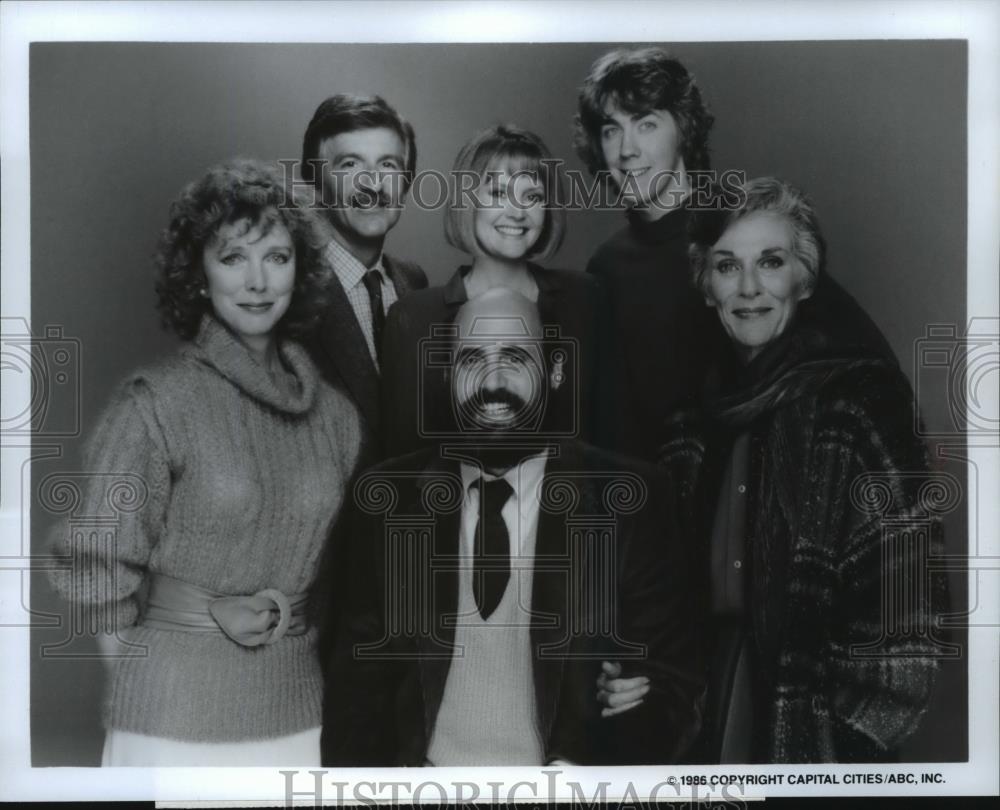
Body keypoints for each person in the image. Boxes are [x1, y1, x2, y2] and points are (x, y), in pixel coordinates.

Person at [599, 177, 946, 762]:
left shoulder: (863, 404)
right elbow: (655, 598)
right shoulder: (689, 425)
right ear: (706, 287)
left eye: (771, 262)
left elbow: (908, 604)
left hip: (812, 711)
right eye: (727, 266)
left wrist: (845, 736)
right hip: (703, 703)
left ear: (803, 279)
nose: (750, 288)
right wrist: (630, 669)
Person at [47, 159, 364, 766]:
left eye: (276, 257)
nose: (257, 281)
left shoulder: (338, 418)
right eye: (232, 257)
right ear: (198, 274)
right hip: (171, 716)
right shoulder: (156, 403)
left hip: (296, 713)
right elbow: (99, 570)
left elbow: (338, 582)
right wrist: (147, 698)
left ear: (300, 270)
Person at [322, 288, 703, 766]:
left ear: (555, 371)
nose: (492, 380)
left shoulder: (629, 499)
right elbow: (355, 694)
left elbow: (672, 685)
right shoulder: (387, 501)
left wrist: (584, 779)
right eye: (471, 360)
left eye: (516, 357)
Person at [574, 47, 895, 461]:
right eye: (611, 130)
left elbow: (864, 359)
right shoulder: (606, 265)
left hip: (755, 488)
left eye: (646, 124)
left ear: (683, 130)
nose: (627, 150)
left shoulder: (745, 226)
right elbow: (612, 427)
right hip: (659, 502)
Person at [380, 124, 598, 457]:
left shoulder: (585, 300)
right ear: (467, 202)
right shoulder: (413, 318)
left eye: (533, 196)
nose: (517, 212)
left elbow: (614, 442)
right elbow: (403, 456)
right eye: (498, 193)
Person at [300, 93, 428, 456]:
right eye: (350, 165)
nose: (372, 183)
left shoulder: (414, 283)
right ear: (315, 182)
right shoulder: (286, 291)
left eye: (388, 165)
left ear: (406, 181)